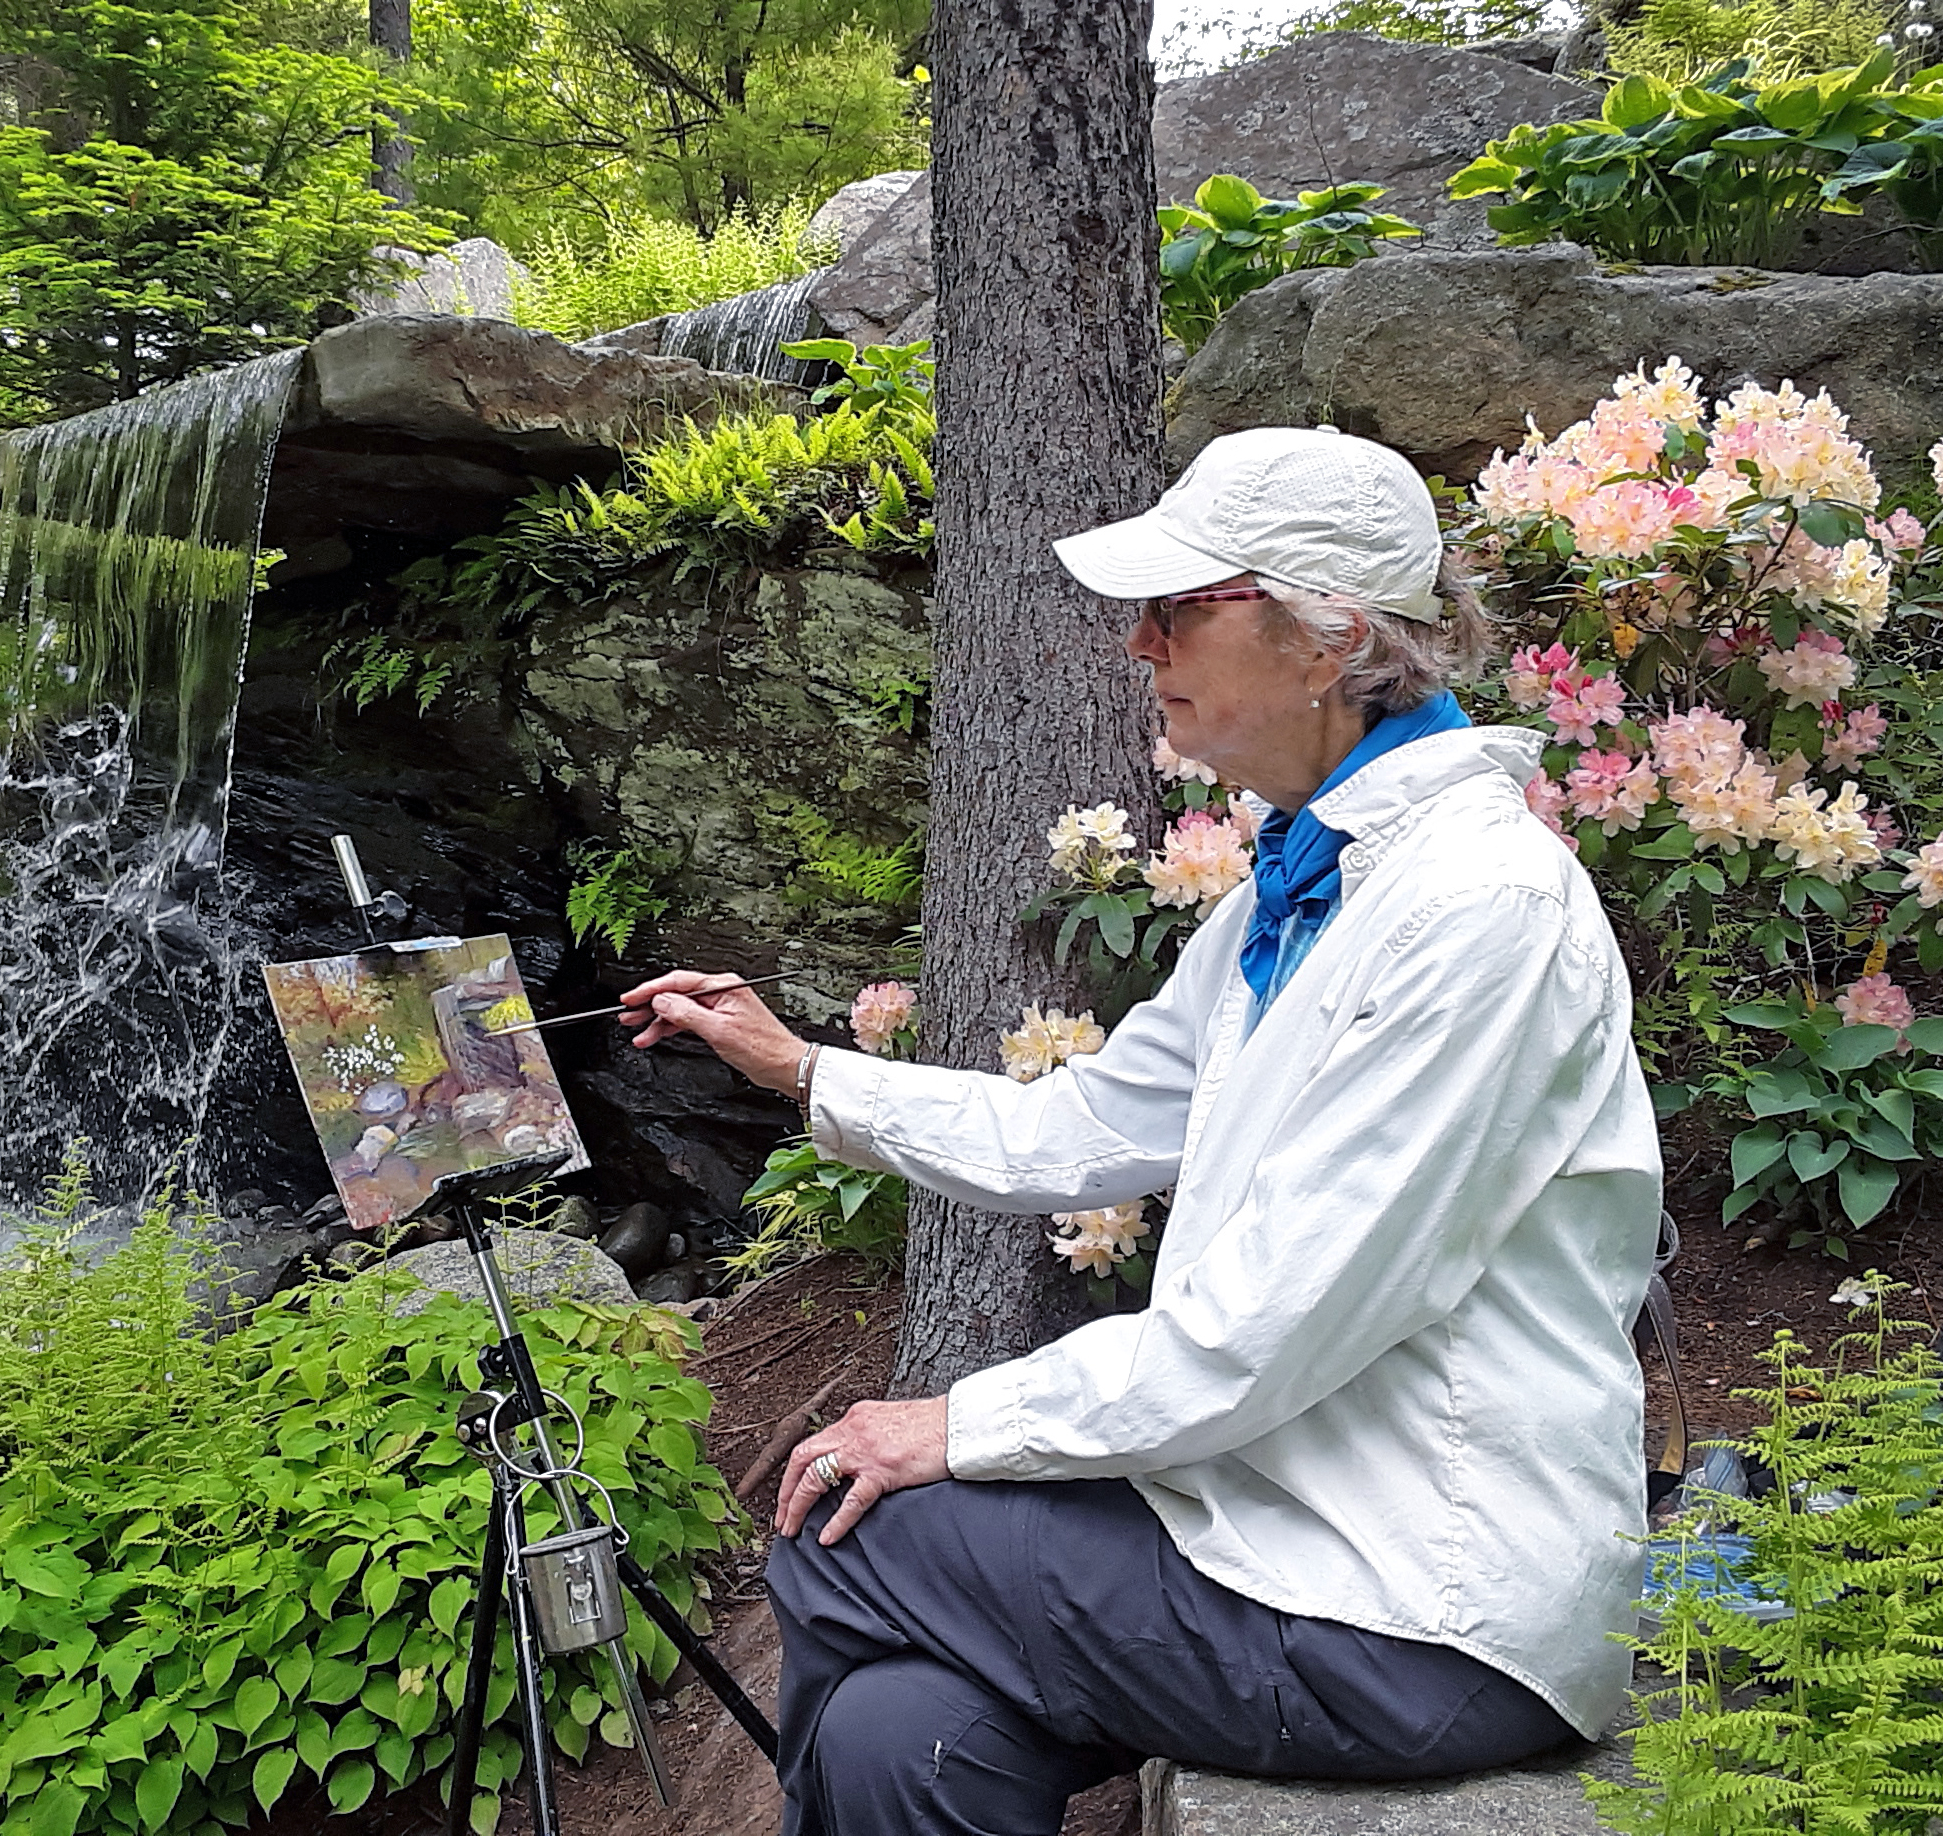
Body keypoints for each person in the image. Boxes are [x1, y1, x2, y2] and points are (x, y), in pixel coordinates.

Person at [619, 427, 1660, 1836]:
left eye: (1176, 606)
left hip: (1422, 1603)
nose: (1138, 642)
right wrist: (795, 1068)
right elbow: (1088, 1128)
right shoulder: (1301, 887)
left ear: (1322, 638)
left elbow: (1265, 1329)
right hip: (1276, 1527)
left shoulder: (1479, 909)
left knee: (848, 1523)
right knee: (891, 1735)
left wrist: (957, 1424)